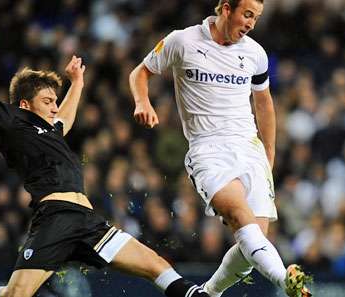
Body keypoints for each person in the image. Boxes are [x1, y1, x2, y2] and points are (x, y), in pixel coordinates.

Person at [0, 1, 211, 297]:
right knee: (15, 295)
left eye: (54, 101)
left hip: (87, 221)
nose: (54, 107)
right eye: (47, 101)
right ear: (25, 105)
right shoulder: (12, 122)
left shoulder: (52, 129)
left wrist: (78, 82)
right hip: (54, 217)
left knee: (154, 263)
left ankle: (193, 295)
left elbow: (65, 118)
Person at [129, 0, 312, 296]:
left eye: (256, 17)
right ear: (227, 9)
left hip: (250, 149)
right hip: (208, 150)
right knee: (242, 219)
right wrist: (142, 101)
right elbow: (139, 72)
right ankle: (287, 281)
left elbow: (264, 104)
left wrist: (269, 155)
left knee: (253, 245)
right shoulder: (182, 41)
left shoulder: (255, 53)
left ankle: (209, 293)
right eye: (248, 14)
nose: (252, 23)